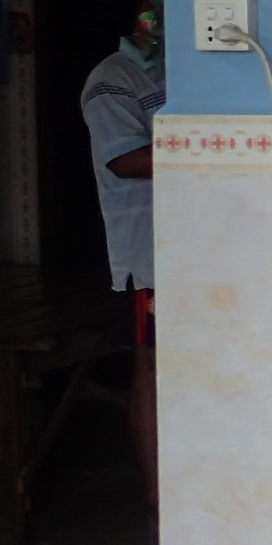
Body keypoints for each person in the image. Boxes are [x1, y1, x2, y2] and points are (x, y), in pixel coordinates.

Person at [80, 30, 164, 502]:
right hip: (151, 254)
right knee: (153, 367)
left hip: (201, 244)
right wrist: (214, 147)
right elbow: (125, 160)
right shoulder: (113, 78)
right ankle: (157, 498)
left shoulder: (183, 70)